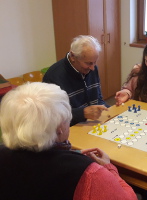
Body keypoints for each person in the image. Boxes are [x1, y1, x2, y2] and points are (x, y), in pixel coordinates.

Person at [0, 82, 137, 200]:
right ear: (59, 128)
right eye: (68, 120)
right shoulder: (89, 173)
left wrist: (72, 155)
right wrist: (109, 169)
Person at [43, 35, 109, 126]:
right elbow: (51, 115)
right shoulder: (53, 76)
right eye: (88, 63)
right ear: (73, 56)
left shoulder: (91, 68)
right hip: (69, 128)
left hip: (91, 124)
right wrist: (82, 113)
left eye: (95, 62)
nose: (93, 68)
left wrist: (108, 109)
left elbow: (98, 99)